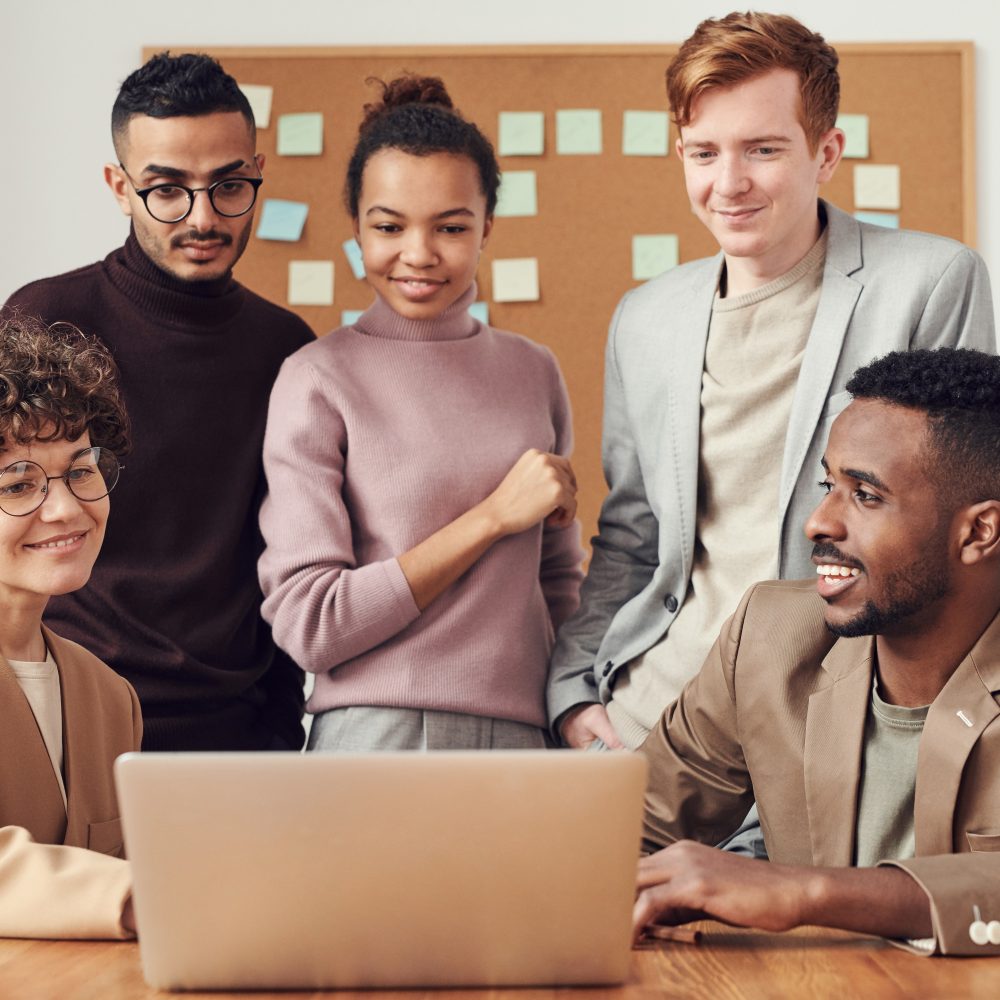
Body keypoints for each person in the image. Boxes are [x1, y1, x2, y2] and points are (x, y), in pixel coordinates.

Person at [547, 11, 995, 758]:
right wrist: (572, 691)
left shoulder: (931, 282)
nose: (730, 183)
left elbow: (954, 534)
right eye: (704, 152)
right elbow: (631, 535)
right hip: (645, 723)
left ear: (826, 153)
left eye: (763, 149)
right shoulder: (644, 319)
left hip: (830, 722)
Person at [634, 347, 1000, 957]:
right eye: (830, 484)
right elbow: (629, 828)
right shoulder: (770, 633)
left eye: (866, 496)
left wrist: (808, 892)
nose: (818, 522)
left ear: (979, 532)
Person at [259, 76, 583, 751]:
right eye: (388, 226)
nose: (418, 254)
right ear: (356, 225)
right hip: (375, 737)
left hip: (529, 742)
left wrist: (576, 712)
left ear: (487, 226)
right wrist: (493, 518)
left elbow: (557, 585)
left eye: (451, 227)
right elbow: (311, 623)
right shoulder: (318, 379)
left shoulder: (534, 371)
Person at [4, 53, 314, 751]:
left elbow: (287, 559)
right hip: (69, 721)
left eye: (230, 185)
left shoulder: (287, 347)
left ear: (258, 171)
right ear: (119, 186)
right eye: (167, 190)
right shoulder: (46, 318)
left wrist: (276, 731)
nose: (202, 217)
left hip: (233, 739)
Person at [0, 315, 139, 939]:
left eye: (80, 470)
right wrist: (158, 892)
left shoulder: (111, 696)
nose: (64, 509)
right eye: (18, 484)